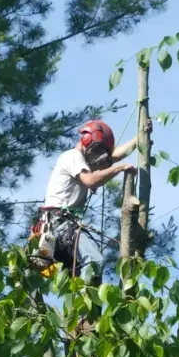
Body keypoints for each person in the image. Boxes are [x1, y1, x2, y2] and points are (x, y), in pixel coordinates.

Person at [41, 119, 142, 284]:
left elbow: (113, 156)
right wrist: (119, 168)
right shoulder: (72, 156)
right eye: (98, 150)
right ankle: (89, 307)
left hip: (60, 227)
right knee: (94, 261)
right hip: (60, 224)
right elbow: (90, 180)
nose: (101, 158)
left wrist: (139, 139)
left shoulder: (83, 160)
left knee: (77, 277)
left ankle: (85, 308)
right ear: (87, 142)